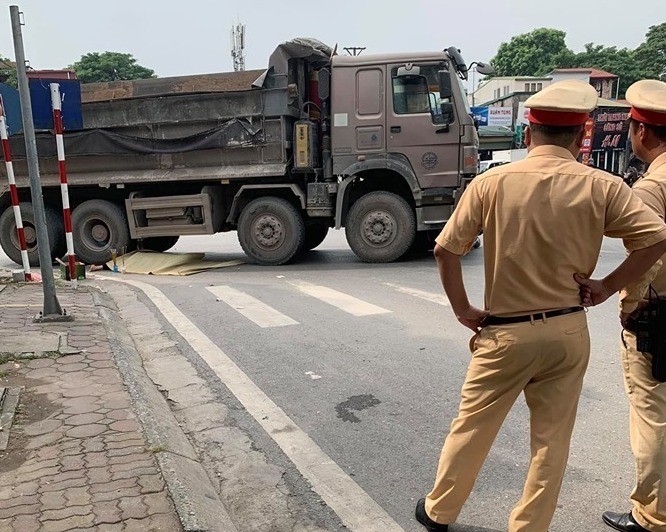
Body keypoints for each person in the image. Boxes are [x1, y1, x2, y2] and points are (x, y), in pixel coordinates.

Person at [415, 79, 666, 532]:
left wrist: (462, 309)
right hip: (568, 330)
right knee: (551, 441)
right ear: (580, 135)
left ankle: (439, 511)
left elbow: (445, 250)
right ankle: (529, 526)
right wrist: (607, 286)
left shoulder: (492, 182)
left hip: (504, 332)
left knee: (472, 426)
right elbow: (655, 238)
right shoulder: (603, 186)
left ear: (528, 134)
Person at [580, 79, 666, 532]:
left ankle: (653, 516)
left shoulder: (654, 187)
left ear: (643, 132)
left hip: (658, 314)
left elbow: (652, 245)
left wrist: (611, 289)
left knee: (652, 416)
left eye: (633, 126)